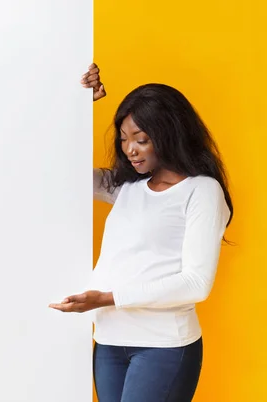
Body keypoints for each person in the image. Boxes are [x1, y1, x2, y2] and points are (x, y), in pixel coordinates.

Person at [50, 76, 233, 401]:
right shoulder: (127, 187)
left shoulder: (201, 191)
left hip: (162, 346)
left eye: (141, 139)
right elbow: (59, 169)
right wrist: (79, 104)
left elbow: (196, 283)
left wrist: (106, 298)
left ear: (169, 134)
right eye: (123, 139)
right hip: (108, 343)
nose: (129, 149)